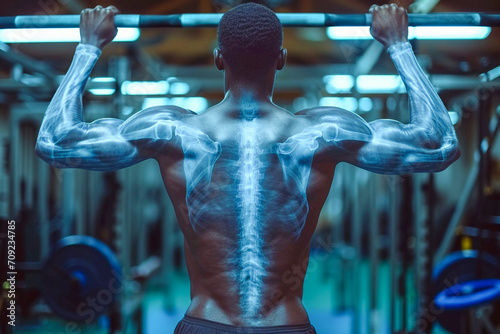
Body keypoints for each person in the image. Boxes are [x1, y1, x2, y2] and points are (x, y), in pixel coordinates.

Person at [35, 2, 460, 333]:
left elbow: (55, 142)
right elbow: (440, 144)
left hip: (206, 323)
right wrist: (399, 45)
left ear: (219, 58)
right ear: (282, 59)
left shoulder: (170, 131)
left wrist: (88, 46)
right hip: (287, 326)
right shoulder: (323, 134)